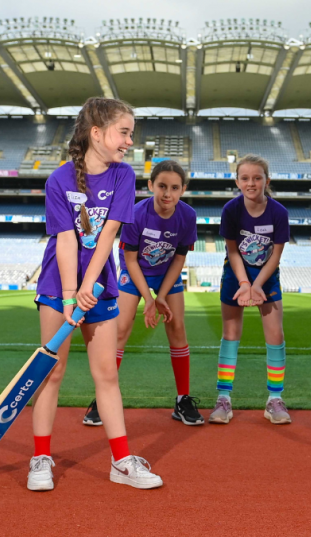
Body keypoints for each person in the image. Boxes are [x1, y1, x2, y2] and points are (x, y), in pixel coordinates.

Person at [29, 97, 163, 492]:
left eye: (130, 135)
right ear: (96, 133)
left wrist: (90, 286)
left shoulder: (124, 177)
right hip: (58, 284)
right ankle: (40, 459)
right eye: (124, 133)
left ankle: (120, 462)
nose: (128, 142)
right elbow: (67, 239)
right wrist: (71, 294)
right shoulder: (58, 180)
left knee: (106, 375)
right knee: (51, 374)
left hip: (102, 286)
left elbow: (108, 236)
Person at [82, 159, 202, 427]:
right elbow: (132, 259)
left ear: (183, 189)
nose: (167, 193)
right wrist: (148, 298)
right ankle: (103, 399)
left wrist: (161, 296)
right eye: (161, 186)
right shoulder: (135, 213)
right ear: (150, 185)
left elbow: (180, 258)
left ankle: (182, 399)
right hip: (133, 270)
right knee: (121, 329)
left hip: (167, 271)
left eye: (174, 188)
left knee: (178, 328)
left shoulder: (188, 216)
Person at [208, 154, 291, 425]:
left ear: (267, 181)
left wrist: (257, 285)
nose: (251, 183)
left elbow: (276, 256)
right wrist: (245, 284)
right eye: (245, 178)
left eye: (257, 178)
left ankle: (274, 399)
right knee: (230, 334)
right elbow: (232, 251)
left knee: (275, 334)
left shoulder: (279, 212)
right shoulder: (231, 210)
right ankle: (224, 398)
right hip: (235, 274)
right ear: (237, 181)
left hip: (267, 275)